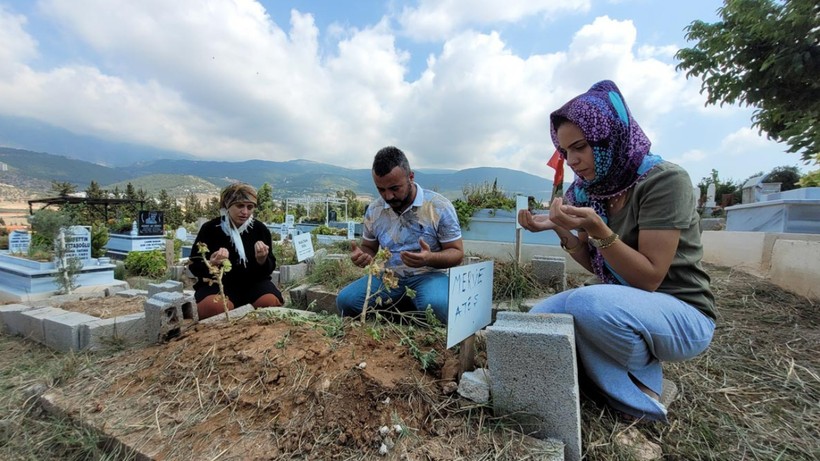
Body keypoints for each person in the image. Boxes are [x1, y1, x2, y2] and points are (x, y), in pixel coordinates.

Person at [518, 80, 716, 422]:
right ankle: (605, 377)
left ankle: (642, 391)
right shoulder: (590, 190)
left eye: (580, 147)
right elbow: (594, 264)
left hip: (683, 313)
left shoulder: (663, 181)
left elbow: (649, 279)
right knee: (536, 325)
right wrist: (559, 228)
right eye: (565, 152)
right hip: (623, 304)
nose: (574, 161)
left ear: (608, 135)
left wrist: (599, 229)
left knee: (587, 303)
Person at [336, 146, 464, 323]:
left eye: (395, 188)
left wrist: (429, 258)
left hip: (429, 276)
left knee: (438, 305)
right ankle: (388, 321)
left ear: (411, 177)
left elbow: (457, 253)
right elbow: (369, 247)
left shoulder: (438, 206)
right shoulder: (375, 210)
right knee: (346, 301)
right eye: (381, 189)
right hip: (388, 277)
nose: (388, 196)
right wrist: (364, 256)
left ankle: (413, 315)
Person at [189, 183, 283, 319]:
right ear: (227, 205)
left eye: (250, 207)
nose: (245, 212)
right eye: (240, 206)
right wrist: (211, 263)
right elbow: (194, 264)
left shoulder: (259, 230)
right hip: (218, 285)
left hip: (253, 283)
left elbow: (269, 267)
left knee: (269, 302)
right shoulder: (210, 229)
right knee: (215, 307)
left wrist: (262, 260)